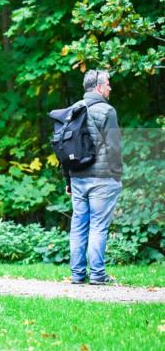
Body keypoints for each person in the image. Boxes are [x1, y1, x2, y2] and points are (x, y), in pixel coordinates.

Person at [64, 69, 123, 285]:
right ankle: (98, 275)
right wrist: (117, 176)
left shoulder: (73, 110)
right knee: (98, 225)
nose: (110, 87)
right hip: (102, 180)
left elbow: (64, 148)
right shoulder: (107, 111)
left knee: (78, 226)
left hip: (77, 179)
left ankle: (77, 275)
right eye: (108, 83)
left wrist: (68, 180)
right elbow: (114, 147)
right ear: (98, 87)